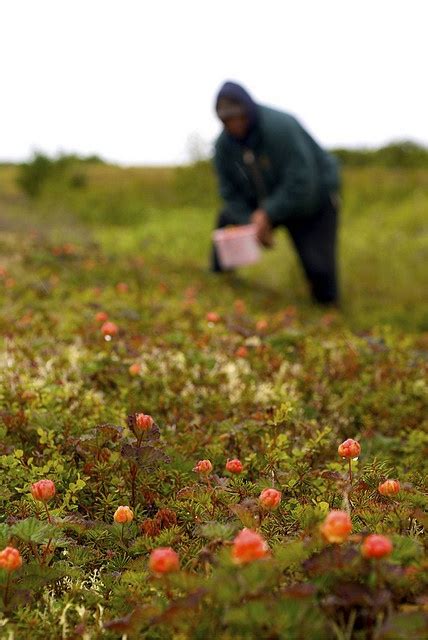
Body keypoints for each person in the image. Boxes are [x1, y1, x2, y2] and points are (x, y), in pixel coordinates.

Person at [211, 81, 341, 306]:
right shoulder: (224, 146)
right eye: (228, 120)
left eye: (238, 117)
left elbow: (302, 181)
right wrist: (251, 221)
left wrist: (268, 213)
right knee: (228, 220)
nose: (235, 124)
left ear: (248, 111)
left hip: (311, 202)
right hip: (263, 202)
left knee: (319, 269)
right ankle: (218, 284)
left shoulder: (279, 128)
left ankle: (327, 310)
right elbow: (229, 192)